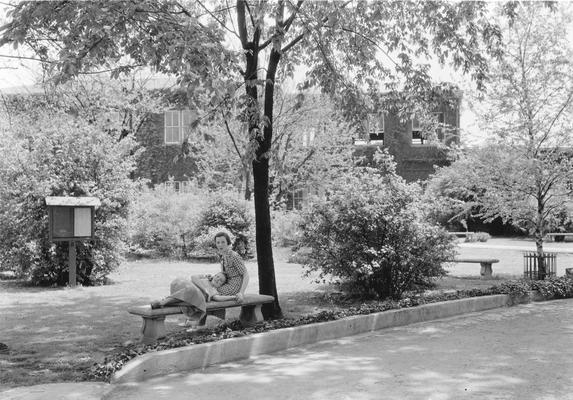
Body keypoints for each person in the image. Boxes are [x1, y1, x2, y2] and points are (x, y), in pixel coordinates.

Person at [214, 231, 249, 303]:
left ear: (228, 243)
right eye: (218, 242)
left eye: (223, 242)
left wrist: (241, 293)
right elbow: (224, 274)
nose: (220, 245)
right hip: (227, 283)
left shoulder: (234, 256)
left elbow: (246, 275)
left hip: (234, 286)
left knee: (211, 291)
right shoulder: (223, 257)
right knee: (208, 285)